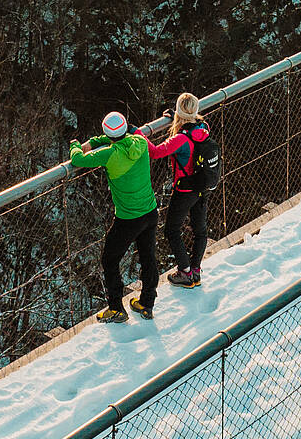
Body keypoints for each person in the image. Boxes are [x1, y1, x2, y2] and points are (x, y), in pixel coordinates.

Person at [70, 110, 158, 322]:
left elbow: (78, 159)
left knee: (109, 259)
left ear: (107, 133)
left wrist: (75, 144)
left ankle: (117, 308)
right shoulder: (140, 141)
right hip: (150, 211)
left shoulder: (109, 154)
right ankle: (146, 304)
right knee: (148, 257)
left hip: (128, 218)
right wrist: (98, 140)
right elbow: (117, 136)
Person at [148, 92, 219, 288]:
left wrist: (138, 134)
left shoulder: (180, 139)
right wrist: (177, 118)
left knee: (172, 229)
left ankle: (185, 272)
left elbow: (155, 152)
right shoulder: (203, 128)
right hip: (202, 187)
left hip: (185, 189)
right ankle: (195, 271)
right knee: (200, 230)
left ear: (179, 111)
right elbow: (192, 122)